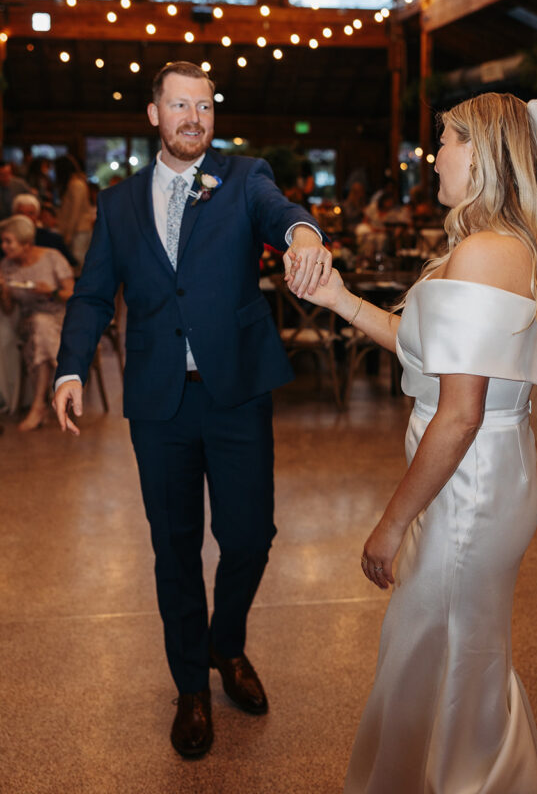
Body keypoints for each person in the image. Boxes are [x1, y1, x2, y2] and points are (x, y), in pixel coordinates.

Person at [287, 93, 537, 794]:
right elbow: (423, 348)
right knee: (453, 656)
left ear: (484, 154)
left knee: (442, 655)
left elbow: (458, 414)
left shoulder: (482, 252)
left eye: (447, 141)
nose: (435, 156)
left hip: (468, 487)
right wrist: (340, 300)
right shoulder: (501, 245)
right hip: (482, 477)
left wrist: (391, 523)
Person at [52, 61, 331, 760]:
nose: (192, 119)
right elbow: (90, 296)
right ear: (154, 115)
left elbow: (281, 213)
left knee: (248, 536)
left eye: (203, 107)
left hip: (235, 391)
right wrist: (69, 368)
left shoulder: (242, 177)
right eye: (179, 106)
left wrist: (301, 234)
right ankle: (191, 688)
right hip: (159, 403)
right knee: (173, 548)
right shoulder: (117, 205)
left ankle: (225, 643)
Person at [0, 215, 74, 431]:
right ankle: (65, 382)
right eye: (2, 241)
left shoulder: (52, 257)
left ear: (26, 243)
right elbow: (9, 310)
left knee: (42, 333)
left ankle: (39, 405)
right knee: (40, 326)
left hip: (61, 319)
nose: (3, 247)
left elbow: (74, 294)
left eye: (8, 241)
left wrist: (50, 292)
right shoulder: (5, 267)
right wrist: (4, 291)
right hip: (28, 322)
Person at [11, 193, 78, 267]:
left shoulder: (52, 238)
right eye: (21, 213)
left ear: (37, 216)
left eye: (30, 213)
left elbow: (72, 264)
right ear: (14, 215)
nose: (25, 217)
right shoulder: (4, 240)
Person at [54, 154, 95, 267]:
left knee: (78, 262)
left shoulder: (77, 184)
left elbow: (74, 212)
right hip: (77, 229)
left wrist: (68, 234)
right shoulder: (75, 183)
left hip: (79, 230)